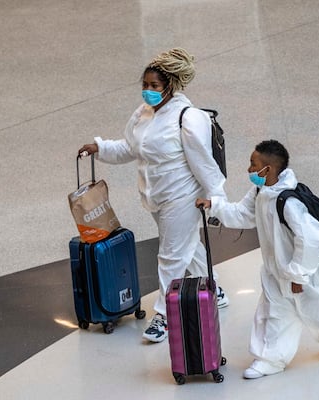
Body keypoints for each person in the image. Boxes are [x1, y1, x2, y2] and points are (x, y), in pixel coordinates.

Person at [78, 48, 229, 343]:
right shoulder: (144, 113)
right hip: (155, 194)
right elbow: (131, 148)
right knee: (186, 244)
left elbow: (204, 163)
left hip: (182, 196)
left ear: (170, 86)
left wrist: (216, 197)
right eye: (145, 85)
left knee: (170, 254)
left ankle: (164, 314)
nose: (147, 91)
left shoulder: (188, 118)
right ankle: (214, 287)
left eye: (154, 86)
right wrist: (101, 148)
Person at [196, 139, 319, 379]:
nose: (249, 169)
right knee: (274, 314)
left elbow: (313, 238)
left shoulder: (289, 202)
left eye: (253, 164)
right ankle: (270, 359)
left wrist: (297, 275)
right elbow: (243, 214)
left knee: (318, 310)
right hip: (275, 271)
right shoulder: (261, 191)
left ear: (268, 169)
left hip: (298, 273)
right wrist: (214, 206)